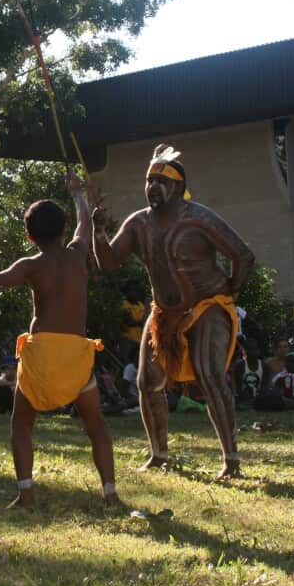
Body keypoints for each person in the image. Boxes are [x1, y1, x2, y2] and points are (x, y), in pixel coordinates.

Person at [0, 170, 120, 507]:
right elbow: (85, 223)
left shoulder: (31, 265)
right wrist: (77, 194)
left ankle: (26, 492)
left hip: (41, 356)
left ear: (29, 236)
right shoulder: (77, 254)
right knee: (96, 426)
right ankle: (110, 494)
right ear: (64, 230)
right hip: (75, 355)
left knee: (21, 425)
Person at [93, 144, 255, 480]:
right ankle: (159, 454)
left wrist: (231, 290)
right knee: (146, 382)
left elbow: (243, 256)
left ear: (178, 188)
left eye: (161, 181)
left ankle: (231, 460)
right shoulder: (138, 224)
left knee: (210, 374)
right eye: (149, 180)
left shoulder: (200, 218)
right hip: (164, 313)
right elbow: (108, 262)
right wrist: (98, 233)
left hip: (207, 306)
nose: (153, 186)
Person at [119, 283, 148, 366]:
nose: (135, 293)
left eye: (136, 291)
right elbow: (128, 322)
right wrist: (143, 323)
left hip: (140, 340)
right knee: (129, 365)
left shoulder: (140, 304)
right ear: (127, 292)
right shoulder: (123, 304)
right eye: (133, 291)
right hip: (128, 340)